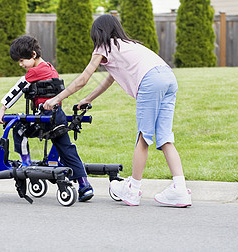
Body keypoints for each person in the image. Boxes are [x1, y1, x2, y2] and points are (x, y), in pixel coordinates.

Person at [43, 14, 192, 207]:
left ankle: (133, 189)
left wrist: (56, 99)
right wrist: (88, 99)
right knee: (164, 137)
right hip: (168, 78)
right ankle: (180, 189)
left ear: (98, 34)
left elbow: (83, 79)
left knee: (143, 136)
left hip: (150, 81)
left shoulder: (104, 47)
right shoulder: (129, 45)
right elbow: (109, 79)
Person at [0, 35, 94, 202]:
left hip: (44, 119)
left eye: (22, 60)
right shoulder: (50, 68)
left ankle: (26, 164)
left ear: (33, 54)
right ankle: (84, 185)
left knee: (18, 128)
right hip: (58, 118)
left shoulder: (34, 71)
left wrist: (3, 107)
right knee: (67, 150)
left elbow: (19, 88)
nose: (21, 65)